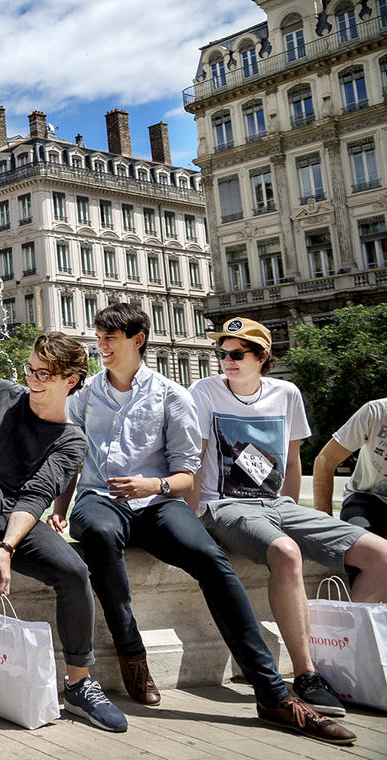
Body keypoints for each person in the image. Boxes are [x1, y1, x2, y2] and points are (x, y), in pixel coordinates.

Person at [53, 304, 353, 745]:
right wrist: (60, 505)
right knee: (96, 532)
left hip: (158, 501)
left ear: (137, 340)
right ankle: (131, 651)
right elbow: (71, 456)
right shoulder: (82, 396)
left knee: (212, 560)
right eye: (98, 338)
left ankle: (272, 694)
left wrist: (150, 485)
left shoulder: (173, 395)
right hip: (101, 501)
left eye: (108, 340)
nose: (100, 347)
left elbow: (185, 474)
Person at [0, 331, 127, 733]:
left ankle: (80, 683)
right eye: (32, 369)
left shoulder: (71, 441)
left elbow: (35, 498)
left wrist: (6, 549)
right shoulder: (1, 393)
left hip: (8, 520)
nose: (33, 379)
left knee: (74, 572)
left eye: (45, 374)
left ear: (72, 379)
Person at [190, 316, 387, 720]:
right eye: (222, 352)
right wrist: (192, 517)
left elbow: (294, 458)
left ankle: (349, 666)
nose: (227, 359)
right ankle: (307, 674)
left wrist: (290, 509)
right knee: (286, 551)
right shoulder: (204, 391)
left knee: (380, 554)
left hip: (277, 504)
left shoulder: (286, 393)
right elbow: (194, 458)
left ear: (263, 357)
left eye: (237, 353)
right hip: (223, 504)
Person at [313, 396, 387, 538]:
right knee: (358, 547)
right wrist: (325, 524)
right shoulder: (375, 412)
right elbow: (325, 460)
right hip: (366, 497)